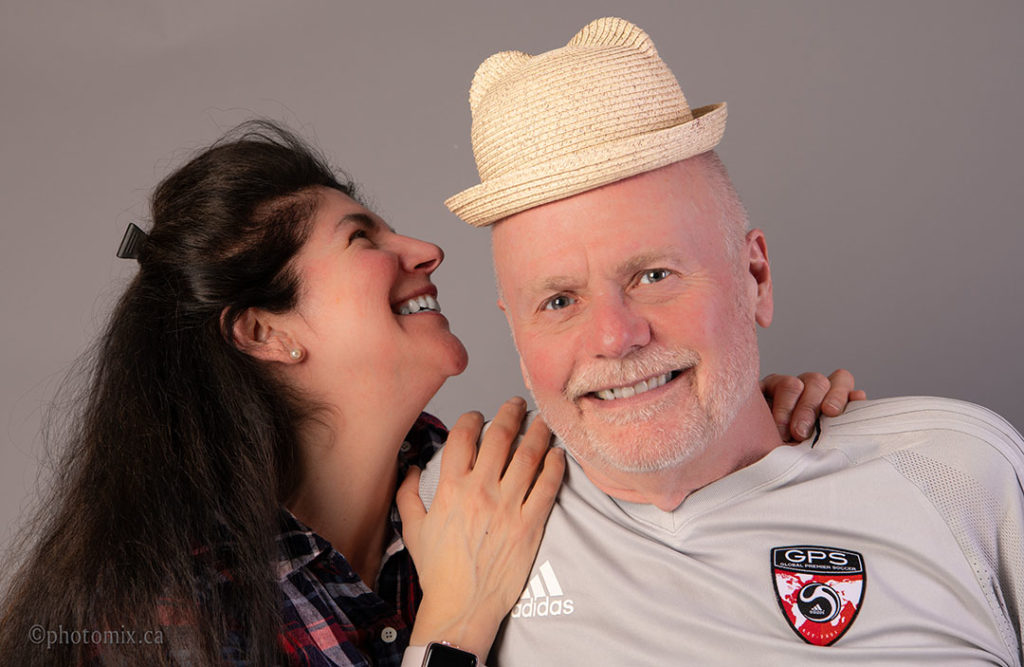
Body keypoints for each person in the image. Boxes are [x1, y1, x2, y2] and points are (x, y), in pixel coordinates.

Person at [0, 121, 854, 666]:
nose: (426, 249)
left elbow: (657, 457)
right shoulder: (159, 620)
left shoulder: (492, 488)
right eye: (361, 236)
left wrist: (750, 414)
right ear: (266, 332)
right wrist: (453, 626)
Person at [431, 17, 1024, 665]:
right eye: (559, 300)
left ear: (756, 277)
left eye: (654, 275)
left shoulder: (961, 476)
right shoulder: (458, 519)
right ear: (516, 334)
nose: (615, 336)